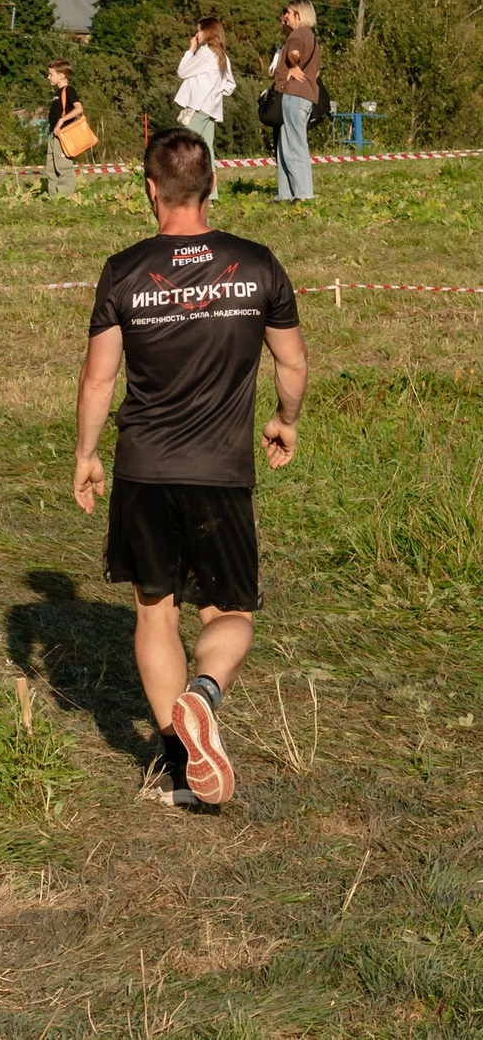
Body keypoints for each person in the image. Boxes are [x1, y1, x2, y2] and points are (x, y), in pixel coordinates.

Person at [74, 128, 306, 808]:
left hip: (143, 468)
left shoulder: (123, 269)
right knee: (230, 612)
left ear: (150, 189)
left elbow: (97, 379)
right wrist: (284, 420)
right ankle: (204, 696)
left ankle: (179, 768)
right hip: (222, 472)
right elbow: (291, 362)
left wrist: (87, 454)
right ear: (214, 184)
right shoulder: (258, 264)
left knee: (155, 611)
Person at [173, 17, 236, 190]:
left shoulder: (206, 52)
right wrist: (215, 93)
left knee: (188, 147)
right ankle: (209, 193)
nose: (196, 34)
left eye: (200, 30)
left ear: (208, 32)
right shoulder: (222, 55)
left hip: (198, 106)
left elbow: (182, 71)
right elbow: (230, 85)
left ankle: (188, 191)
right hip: (211, 109)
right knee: (207, 150)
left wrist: (190, 50)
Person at [271, 1, 320, 203]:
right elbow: (316, 72)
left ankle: (302, 193)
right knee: (286, 144)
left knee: (294, 144)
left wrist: (292, 64)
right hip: (306, 95)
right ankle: (286, 193)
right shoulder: (312, 38)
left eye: (289, 13)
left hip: (295, 95)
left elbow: (294, 53)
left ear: (299, 15)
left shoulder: (297, 35)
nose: (285, 17)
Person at [45, 61, 84, 198]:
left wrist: (62, 120)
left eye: (51, 74)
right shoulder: (58, 92)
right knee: (51, 167)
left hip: (63, 134)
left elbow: (79, 108)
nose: (48, 77)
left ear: (61, 75)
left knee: (64, 166)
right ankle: (53, 197)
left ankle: (64, 197)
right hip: (53, 134)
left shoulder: (69, 90)